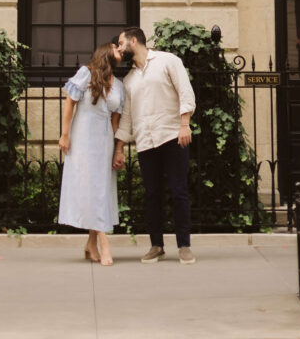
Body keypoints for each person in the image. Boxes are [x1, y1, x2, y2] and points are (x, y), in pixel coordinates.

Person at [112, 26, 197, 265]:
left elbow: (185, 92)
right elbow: (127, 116)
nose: (119, 48)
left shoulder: (167, 61)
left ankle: (184, 245)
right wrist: (119, 147)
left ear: (135, 40)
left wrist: (184, 124)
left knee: (178, 191)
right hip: (145, 141)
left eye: (121, 43)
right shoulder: (128, 80)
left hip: (172, 136)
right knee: (152, 195)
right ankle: (156, 245)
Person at [57, 42, 124, 266]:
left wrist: (118, 150)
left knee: (101, 190)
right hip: (84, 139)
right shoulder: (86, 73)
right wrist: (65, 134)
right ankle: (104, 243)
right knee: (91, 188)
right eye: (118, 48)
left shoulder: (119, 86)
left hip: (104, 142)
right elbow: (69, 104)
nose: (122, 52)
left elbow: (116, 122)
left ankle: (90, 243)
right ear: (107, 51)